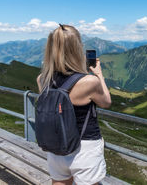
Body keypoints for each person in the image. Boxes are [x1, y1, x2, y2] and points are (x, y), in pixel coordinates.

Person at [36, 24, 112, 185]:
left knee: (59, 182)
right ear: (77, 49)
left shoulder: (42, 79)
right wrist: (99, 75)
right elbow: (106, 102)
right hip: (84, 148)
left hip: (56, 145)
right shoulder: (89, 81)